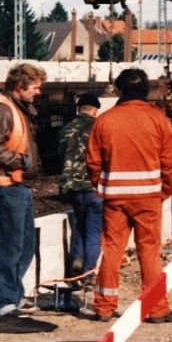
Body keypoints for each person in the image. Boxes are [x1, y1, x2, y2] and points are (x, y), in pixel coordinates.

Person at [85, 68, 172, 324]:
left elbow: (93, 162)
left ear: (119, 90)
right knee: (148, 251)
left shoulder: (105, 120)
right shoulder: (158, 119)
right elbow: (171, 161)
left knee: (112, 250)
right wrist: (165, 190)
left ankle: (104, 307)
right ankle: (157, 309)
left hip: (115, 198)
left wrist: (102, 185)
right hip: (149, 196)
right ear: (146, 90)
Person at [0, 62, 47, 319]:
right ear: (20, 86)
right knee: (8, 245)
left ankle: (14, 294)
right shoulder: (2, 109)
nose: (38, 93)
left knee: (25, 244)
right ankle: (5, 300)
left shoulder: (16, 106)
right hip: (4, 184)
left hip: (18, 184)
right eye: (35, 88)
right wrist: (19, 162)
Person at [58, 92, 103, 281]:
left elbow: (61, 154)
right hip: (94, 186)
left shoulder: (66, 128)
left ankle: (77, 259)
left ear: (79, 109)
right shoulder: (98, 127)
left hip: (72, 186)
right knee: (93, 230)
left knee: (80, 224)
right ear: (94, 110)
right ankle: (88, 272)